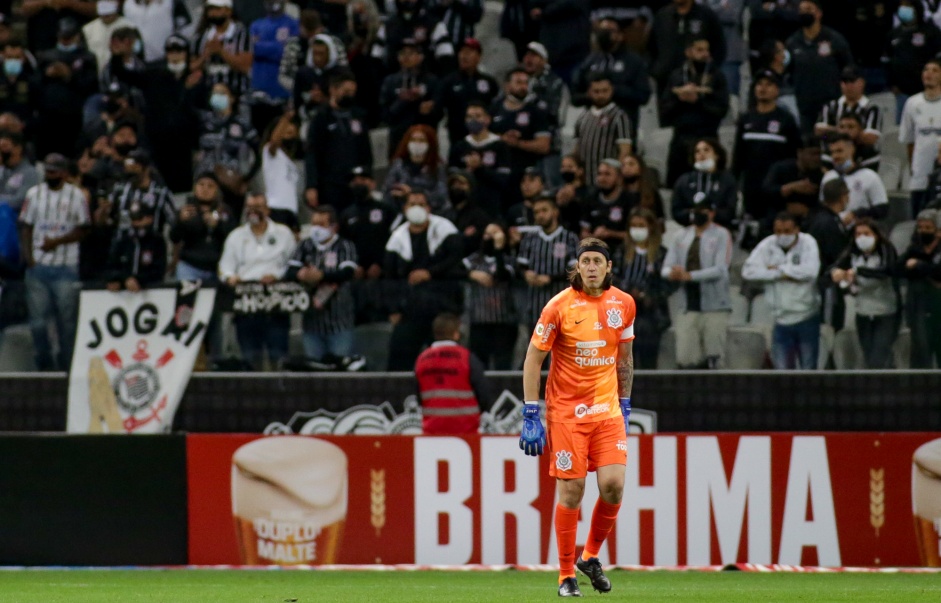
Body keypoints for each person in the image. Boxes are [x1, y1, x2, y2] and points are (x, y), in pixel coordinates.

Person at [519, 236, 635, 597]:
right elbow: (533, 360)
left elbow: (625, 358)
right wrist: (530, 411)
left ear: (608, 267)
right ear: (578, 266)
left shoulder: (625, 304)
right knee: (572, 491)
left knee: (614, 485)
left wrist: (626, 403)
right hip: (567, 413)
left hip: (607, 411)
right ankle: (566, 576)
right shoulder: (558, 307)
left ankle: (591, 557)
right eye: (585, 261)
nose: (591, 267)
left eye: (597, 262)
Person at [18, 153, 90, 371]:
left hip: (65, 267)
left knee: (66, 323)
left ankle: (66, 366)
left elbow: (85, 228)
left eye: (54, 171)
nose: (50, 174)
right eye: (47, 170)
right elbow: (25, 225)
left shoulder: (77, 196)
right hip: (38, 267)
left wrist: (57, 241)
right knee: (38, 322)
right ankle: (44, 366)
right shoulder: (34, 194)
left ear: (64, 173)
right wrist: (29, 258)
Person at [107, 34, 202, 193]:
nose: (175, 56)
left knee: (183, 186)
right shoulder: (154, 75)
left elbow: (198, 109)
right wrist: (118, 56)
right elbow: (124, 75)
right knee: (158, 184)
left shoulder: (196, 77)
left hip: (183, 145)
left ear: (186, 54)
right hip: (157, 142)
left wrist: (187, 88)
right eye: (171, 52)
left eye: (179, 52)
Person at [384, 190, 465, 370]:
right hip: (410, 310)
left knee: (445, 360)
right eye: (412, 204)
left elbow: (455, 260)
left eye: (421, 204)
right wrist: (393, 309)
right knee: (400, 357)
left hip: (442, 307)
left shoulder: (446, 230)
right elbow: (389, 277)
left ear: (429, 208)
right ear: (405, 209)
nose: (417, 208)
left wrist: (429, 273)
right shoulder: (397, 238)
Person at [218, 194, 298, 370]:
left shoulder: (283, 233)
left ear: (267, 210)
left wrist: (277, 276)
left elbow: (293, 263)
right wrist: (230, 277)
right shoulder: (236, 236)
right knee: (250, 358)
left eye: (258, 207)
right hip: (246, 304)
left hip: (276, 302)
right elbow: (225, 267)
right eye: (249, 207)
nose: (253, 211)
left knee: (279, 358)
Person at [743, 212, 822, 369]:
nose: (781, 235)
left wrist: (777, 270)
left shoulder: (808, 243)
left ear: (797, 230)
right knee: (782, 375)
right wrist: (784, 274)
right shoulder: (767, 244)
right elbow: (748, 272)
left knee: (809, 372)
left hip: (806, 318)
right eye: (778, 231)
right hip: (780, 320)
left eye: (787, 231)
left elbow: (811, 271)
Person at [661, 197, 733, 369]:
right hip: (687, 305)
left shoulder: (722, 235)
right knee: (686, 358)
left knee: (714, 358)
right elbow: (665, 267)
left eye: (703, 210)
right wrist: (673, 273)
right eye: (695, 210)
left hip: (714, 306)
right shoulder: (681, 236)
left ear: (712, 213)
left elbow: (721, 269)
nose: (697, 214)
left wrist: (690, 276)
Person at [287, 205, 359, 361]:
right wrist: (302, 274)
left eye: (321, 224)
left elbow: (347, 272)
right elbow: (290, 270)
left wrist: (321, 275)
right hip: (311, 323)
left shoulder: (344, 246)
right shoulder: (305, 245)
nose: (316, 229)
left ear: (334, 227)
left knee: (340, 368)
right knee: (314, 370)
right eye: (314, 224)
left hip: (339, 322)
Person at [732, 69, 801, 227]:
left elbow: (795, 154)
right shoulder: (746, 119)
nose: (763, 88)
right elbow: (738, 156)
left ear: (777, 90)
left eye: (769, 85)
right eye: (759, 84)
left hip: (776, 189)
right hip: (751, 187)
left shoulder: (786, 119)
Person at [659, 36, 730, 187]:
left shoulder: (717, 76)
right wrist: (680, 99)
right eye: (699, 50)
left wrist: (697, 101)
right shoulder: (676, 76)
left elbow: (722, 110)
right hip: (681, 138)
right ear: (688, 52)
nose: (705, 54)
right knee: (677, 185)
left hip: (708, 137)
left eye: (706, 50)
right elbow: (664, 110)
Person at [829, 219, 901, 369]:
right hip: (863, 312)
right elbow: (834, 268)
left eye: (866, 233)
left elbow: (886, 272)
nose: (862, 237)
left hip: (886, 312)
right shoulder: (852, 252)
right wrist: (836, 272)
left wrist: (857, 272)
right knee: (868, 354)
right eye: (858, 234)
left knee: (879, 355)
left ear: (876, 234)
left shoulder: (886, 250)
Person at [304, 72, 373, 213]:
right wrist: (311, 186)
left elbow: (366, 151)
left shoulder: (358, 116)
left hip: (355, 183)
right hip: (330, 185)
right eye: (346, 91)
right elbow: (312, 153)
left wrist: (368, 177)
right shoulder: (320, 117)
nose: (350, 95)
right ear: (333, 90)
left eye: (352, 92)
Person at [571, 17, 651, 139]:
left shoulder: (634, 62)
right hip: (593, 129)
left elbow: (643, 96)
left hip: (622, 129)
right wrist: (590, 96)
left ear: (620, 35)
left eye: (609, 30)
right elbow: (575, 97)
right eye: (601, 30)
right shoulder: (590, 61)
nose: (604, 34)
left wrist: (614, 91)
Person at [414, 312, 491, 434]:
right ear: (456, 334)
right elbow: (483, 394)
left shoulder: (421, 360)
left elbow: (419, 396)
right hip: (467, 431)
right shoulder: (467, 358)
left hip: (432, 431)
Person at [33, 17, 100, 157]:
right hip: (48, 117)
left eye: (69, 37)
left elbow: (91, 86)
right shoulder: (46, 56)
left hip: (73, 117)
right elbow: (34, 85)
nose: (65, 40)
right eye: (63, 37)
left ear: (77, 36)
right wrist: (47, 74)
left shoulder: (87, 58)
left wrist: (70, 76)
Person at [785, 0, 853, 131]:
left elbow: (848, 67)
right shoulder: (793, 42)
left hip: (830, 105)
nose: (804, 13)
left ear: (819, 13)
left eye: (809, 9)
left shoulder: (834, 39)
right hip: (804, 106)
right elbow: (787, 72)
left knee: (829, 143)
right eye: (801, 10)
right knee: (808, 146)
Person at [489, 68, 552, 208]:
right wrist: (502, 139)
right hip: (497, 175)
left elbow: (544, 145)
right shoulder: (494, 108)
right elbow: (483, 137)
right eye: (518, 82)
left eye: (525, 83)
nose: (523, 86)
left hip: (525, 176)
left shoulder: (536, 111)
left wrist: (518, 143)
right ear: (507, 85)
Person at [619, 208, 672, 369]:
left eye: (641, 225)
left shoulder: (662, 254)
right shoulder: (621, 252)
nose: (637, 229)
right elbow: (612, 278)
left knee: (648, 361)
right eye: (633, 225)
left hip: (651, 315)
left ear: (651, 228)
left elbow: (666, 284)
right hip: (623, 315)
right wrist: (629, 291)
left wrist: (645, 295)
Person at [516, 196, 579, 330]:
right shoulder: (529, 238)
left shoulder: (569, 238)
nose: (540, 215)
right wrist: (526, 274)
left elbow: (575, 271)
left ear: (555, 212)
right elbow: (520, 266)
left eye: (544, 210)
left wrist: (550, 278)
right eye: (536, 212)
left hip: (563, 305)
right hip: (535, 306)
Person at [196, 82, 259, 215]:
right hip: (207, 184)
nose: (217, 97)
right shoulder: (204, 123)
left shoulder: (242, 125)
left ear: (232, 98)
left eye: (222, 93)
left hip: (231, 184)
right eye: (215, 93)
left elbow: (258, 154)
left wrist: (246, 180)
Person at [463, 222, 518, 370]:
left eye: (495, 233)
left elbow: (502, 275)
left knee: (502, 364)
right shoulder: (473, 260)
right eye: (487, 233)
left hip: (503, 322)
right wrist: (471, 274)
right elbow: (453, 271)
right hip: (479, 321)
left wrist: (499, 249)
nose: (490, 237)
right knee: (479, 364)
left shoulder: (509, 260)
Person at [447, 101, 511, 219]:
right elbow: (451, 177)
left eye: (478, 116)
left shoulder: (499, 146)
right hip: (464, 207)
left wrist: (480, 168)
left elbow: (504, 180)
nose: (473, 120)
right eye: (469, 116)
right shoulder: (460, 146)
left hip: (491, 206)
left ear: (487, 119)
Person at [170, 172, 237, 283]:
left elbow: (233, 238)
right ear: (194, 187)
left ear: (217, 190)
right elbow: (174, 238)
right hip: (189, 267)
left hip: (217, 268)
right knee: (186, 300)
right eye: (201, 185)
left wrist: (218, 226)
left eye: (210, 186)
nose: (205, 189)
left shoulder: (225, 212)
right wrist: (180, 222)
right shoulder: (186, 210)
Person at [379, 39, 442, 157]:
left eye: (411, 53)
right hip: (399, 139)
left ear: (420, 57)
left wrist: (427, 110)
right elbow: (385, 115)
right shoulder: (390, 82)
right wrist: (402, 101)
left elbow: (439, 112)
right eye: (403, 53)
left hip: (425, 139)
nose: (406, 57)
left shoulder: (431, 81)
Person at [806, 178, 853, 333]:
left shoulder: (824, 219)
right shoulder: (828, 223)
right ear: (842, 196)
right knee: (828, 329)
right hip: (827, 285)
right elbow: (836, 255)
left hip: (825, 283)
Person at [648, 0, 726, 92]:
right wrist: (656, 70)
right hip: (666, 84)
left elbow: (719, 48)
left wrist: (708, 73)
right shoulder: (663, 16)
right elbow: (651, 47)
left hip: (697, 87)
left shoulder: (706, 16)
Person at [435, 37, 498, 148]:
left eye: (469, 52)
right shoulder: (449, 81)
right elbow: (438, 107)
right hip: (457, 136)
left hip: (483, 136)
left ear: (478, 57)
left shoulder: (488, 82)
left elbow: (495, 106)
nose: (464, 56)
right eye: (462, 52)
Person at [247, 0, 299, 135]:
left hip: (282, 91)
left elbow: (286, 52)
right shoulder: (256, 24)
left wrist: (262, 46)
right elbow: (252, 50)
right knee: (258, 134)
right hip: (258, 88)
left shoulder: (293, 24)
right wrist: (275, 46)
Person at [519, 41, 567, 186]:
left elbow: (554, 113)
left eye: (534, 56)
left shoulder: (554, 82)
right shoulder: (521, 81)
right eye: (527, 55)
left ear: (544, 59)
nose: (529, 59)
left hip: (549, 147)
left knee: (549, 185)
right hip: (526, 146)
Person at [885, 1, 941, 123]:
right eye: (902, 6)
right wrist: (892, 84)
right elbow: (887, 61)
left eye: (908, 6)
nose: (904, 9)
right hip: (902, 91)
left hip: (927, 90)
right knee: (903, 127)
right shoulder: (894, 34)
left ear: (916, 9)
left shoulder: (931, 32)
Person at [573, 73, 632, 188]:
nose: (601, 95)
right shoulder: (583, 116)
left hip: (608, 182)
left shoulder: (619, 116)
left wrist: (617, 176)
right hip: (585, 181)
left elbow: (625, 150)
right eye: (596, 91)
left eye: (605, 91)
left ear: (612, 90)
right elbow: (577, 148)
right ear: (589, 92)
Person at [898, 209, 941, 368]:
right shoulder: (914, 248)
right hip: (918, 307)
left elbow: (938, 272)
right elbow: (899, 268)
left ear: (938, 231)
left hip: (938, 307)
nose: (923, 232)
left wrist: (918, 265)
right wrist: (927, 269)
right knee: (920, 351)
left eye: (928, 228)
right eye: (920, 228)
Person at [370, 0, 455, 76]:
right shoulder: (388, 26)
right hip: (394, 82)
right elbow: (375, 58)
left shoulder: (434, 24)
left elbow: (446, 58)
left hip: (426, 83)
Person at [901, 59, 941, 215]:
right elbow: (909, 141)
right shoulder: (912, 103)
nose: (928, 73)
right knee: (918, 219)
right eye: (926, 69)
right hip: (919, 176)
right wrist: (914, 169)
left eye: (934, 70)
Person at [192, 0, 252, 104]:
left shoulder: (242, 34)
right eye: (210, 9)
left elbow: (245, 67)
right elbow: (191, 67)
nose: (213, 13)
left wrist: (221, 51)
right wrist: (205, 56)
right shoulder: (200, 37)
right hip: (207, 95)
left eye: (217, 9)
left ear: (228, 11)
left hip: (237, 95)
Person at [814, 66, 882, 154]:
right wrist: (848, 131)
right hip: (831, 155)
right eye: (845, 82)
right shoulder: (831, 106)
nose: (848, 86)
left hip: (862, 156)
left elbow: (870, 139)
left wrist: (835, 133)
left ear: (862, 83)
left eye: (852, 81)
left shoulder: (872, 108)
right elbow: (820, 133)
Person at [819, 134, 888, 221]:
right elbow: (823, 206)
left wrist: (856, 214)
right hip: (834, 228)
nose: (835, 156)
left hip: (860, 228)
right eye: (832, 152)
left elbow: (882, 209)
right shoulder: (828, 177)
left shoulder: (869, 176)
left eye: (839, 151)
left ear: (851, 149)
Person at [672, 138, 737, 229]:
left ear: (717, 155)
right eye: (697, 151)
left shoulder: (727, 180)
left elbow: (730, 211)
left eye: (706, 150)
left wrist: (711, 214)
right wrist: (693, 214)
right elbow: (676, 211)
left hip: (719, 230)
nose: (701, 154)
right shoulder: (684, 181)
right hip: (690, 229)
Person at [382, 124, 448, 212]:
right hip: (402, 212)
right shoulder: (399, 165)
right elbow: (387, 191)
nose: (417, 144)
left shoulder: (437, 167)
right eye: (413, 140)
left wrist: (412, 193)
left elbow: (442, 196)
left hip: (430, 213)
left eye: (422, 140)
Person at [103, 202, 167, 292]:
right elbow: (110, 267)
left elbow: (158, 271)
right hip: (124, 295)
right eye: (133, 219)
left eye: (139, 218)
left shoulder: (157, 241)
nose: (135, 223)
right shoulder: (123, 241)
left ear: (149, 219)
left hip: (150, 292)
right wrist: (119, 279)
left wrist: (138, 280)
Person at [763, 134, 825, 225]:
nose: (816, 158)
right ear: (800, 153)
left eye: (818, 154)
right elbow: (766, 191)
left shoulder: (821, 175)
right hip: (777, 219)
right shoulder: (781, 168)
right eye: (812, 154)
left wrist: (806, 211)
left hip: (808, 222)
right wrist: (790, 188)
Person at [258, 111, 303, 232]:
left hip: (291, 210)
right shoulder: (270, 152)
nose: (289, 128)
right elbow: (274, 141)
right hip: (276, 208)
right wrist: (286, 118)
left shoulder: (290, 161)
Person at [580, 158, 632, 250]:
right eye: (600, 174)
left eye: (607, 174)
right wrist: (594, 237)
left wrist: (610, 234)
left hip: (622, 251)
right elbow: (583, 233)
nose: (602, 178)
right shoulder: (590, 199)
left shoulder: (629, 201)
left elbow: (633, 236)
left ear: (619, 178)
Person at [122, 0, 191, 63]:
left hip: (164, 61)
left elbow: (185, 30)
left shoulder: (171, 2)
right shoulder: (128, 4)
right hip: (136, 61)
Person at [441, 169, 490, 255]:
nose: (456, 187)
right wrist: (462, 236)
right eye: (454, 184)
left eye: (461, 184)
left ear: (471, 188)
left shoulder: (479, 216)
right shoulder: (444, 214)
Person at [81, 0, 131, 74]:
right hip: (95, 76)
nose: (106, 16)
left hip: (122, 75)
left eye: (108, 13)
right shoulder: (87, 29)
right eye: (104, 13)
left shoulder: (129, 27)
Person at [0, 131, 39, 212]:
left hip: (14, 219)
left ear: (18, 149)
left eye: (4, 146)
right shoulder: (3, 170)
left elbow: (21, 200)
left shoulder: (30, 172)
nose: (1, 150)